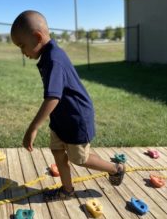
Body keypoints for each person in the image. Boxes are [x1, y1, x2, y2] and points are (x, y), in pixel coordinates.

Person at [10, 10, 125, 201]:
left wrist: (32, 128)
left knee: (79, 159)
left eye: (22, 46)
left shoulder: (54, 58)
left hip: (75, 119)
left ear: (37, 37)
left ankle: (115, 169)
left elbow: (53, 97)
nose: (22, 52)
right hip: (60, 118)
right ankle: (67, 190)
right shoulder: (48, 56)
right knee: (57, 150)